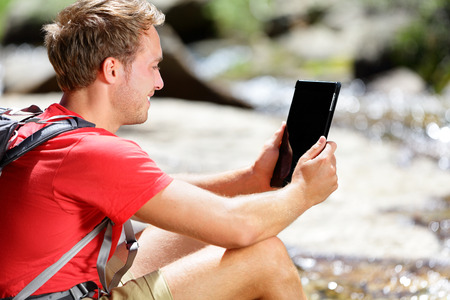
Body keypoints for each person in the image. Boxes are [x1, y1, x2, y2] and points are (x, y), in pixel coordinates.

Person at [0, 0, 338, 299]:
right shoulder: (94, 153)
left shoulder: (41, 128)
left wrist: (250, 178)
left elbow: (157, 192)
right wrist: (305, 192)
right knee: (267, 258)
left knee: (181, 228)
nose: (159, 82)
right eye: (153, 66)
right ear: (112, 69)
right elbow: (240, 227)